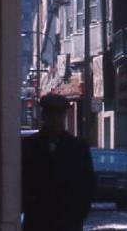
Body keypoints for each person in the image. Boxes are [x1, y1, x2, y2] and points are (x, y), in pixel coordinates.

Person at [22, 94, 94, 231]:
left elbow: (88, 184)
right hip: (37, 220)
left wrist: (78, 213)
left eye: (59, 115)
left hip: (68, 221)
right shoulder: (29, 146)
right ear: (44, 117)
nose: (55, 120)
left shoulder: (78, 148)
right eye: (51, 115)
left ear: (64, 117)